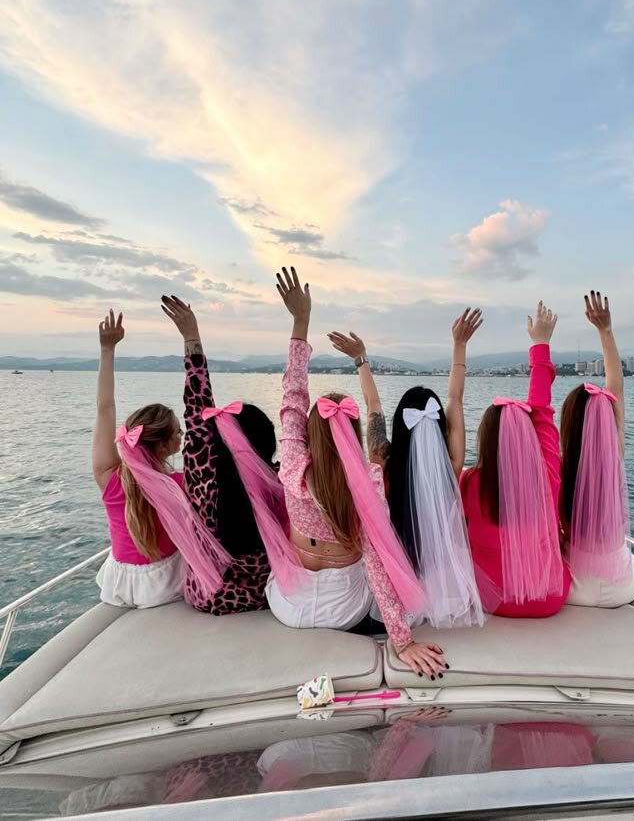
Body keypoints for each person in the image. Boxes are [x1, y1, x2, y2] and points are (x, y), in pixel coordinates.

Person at [267, 266, 447, 679]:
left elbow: (292, 397)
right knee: (374, 569)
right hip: (343, 611)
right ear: (352, 433)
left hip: (290, 606)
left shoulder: (292, 464)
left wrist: (300, 321)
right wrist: (403, 642)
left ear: (309, 431)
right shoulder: (368, 482)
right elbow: (379, 566)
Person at [328, 313, 483, 629]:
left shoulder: (382, 460)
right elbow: (455, 398)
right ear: (438, 424)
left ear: (401, 423)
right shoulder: (451, 464)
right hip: (446, 591)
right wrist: (459, 344)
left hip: (402, 592)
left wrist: (361, 359)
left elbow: (373, 405)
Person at [161, 296, 301, 614]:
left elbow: (196, 411)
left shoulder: (203, 474)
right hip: (265, 593)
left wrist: (191, 337)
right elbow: (295, 414)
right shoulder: (277, 480)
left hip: (208, 594)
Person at [92, 310, 230, 607]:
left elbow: (104, 408)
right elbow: (203, 424)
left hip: (119, 583)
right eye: (178, 432)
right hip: (163, 584)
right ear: (166, 445)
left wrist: (107, 349)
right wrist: (191, 336)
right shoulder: (180, 483)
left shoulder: (108, 477)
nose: (182, 436)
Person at [460, 301, 570, 617]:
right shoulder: (548, 475)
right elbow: (542, 411)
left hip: (488, 599)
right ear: (528, 436)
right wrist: (540, 345)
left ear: (485, 440)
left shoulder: (470, 481)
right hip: (546, 598)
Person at [560, 291, 634, 607]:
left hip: (575, 588)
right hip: (622, 587)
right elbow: (615, 385)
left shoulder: (560, 469)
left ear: (568, 423)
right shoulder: (614, 454)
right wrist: (605, 330)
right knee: (630, 560)